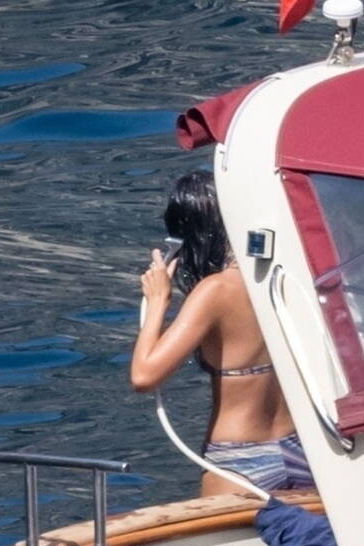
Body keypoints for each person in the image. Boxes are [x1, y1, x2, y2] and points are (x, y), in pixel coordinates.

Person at [129, 171, 314, 495]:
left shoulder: (215, 291)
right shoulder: (284, 275)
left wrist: (157, 302)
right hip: (302, 448)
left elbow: (144, 377)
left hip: (240, 459)